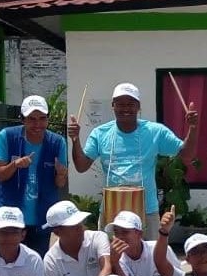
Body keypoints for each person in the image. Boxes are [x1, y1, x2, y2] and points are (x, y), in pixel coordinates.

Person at [67, 82, 199, 238]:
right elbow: (81, 166)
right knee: (111, 256)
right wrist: (75, 140)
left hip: (146, 210)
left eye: (130, 104)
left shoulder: (154, 131)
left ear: (138, 106)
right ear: (113, 106)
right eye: (120, 104)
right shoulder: (100, 133)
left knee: (149, 257)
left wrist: (192, 128)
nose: (125, 109)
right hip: (112, 210)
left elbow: (187, 155)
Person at [0, 95, 69, 256]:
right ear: (22, 119)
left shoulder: (58, 142)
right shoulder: (6, 136)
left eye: (42, 118)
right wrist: (15, 165)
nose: (37, 124)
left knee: (38, 263)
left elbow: (60, 184)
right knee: (7, 259)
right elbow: (0, 175)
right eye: (32, 119)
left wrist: (61, 175)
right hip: (10, 216)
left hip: (41, 217)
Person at [42, 199, 113, 276]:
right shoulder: (51, 260)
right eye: (74, 226)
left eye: (80, 223)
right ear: (57, 232)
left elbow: (106, 267)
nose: (81, 228)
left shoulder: (98, 237)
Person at [107, 210, 176, 276]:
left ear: (139, 234)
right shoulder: (118, 258)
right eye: (116, 232)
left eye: (125, 232)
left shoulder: (159, 249)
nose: (120, 237)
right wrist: (115, 263)